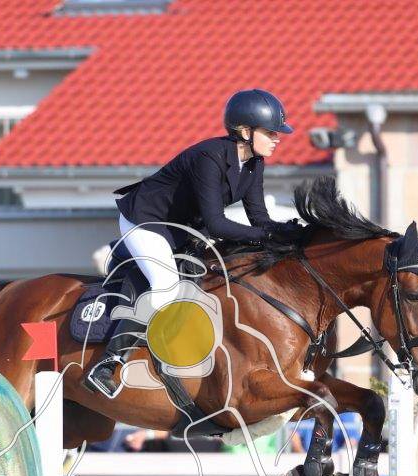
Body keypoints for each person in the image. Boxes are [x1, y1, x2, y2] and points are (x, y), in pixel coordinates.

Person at [85, 88, 305, 398]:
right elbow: (217, 223)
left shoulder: (254, 163)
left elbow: (259, 219)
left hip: (182, 227)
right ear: (245, 132)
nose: (277, 138)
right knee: (165, 286)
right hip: (145, 220)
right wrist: (267, 236)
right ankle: (108, 363)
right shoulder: (209, 157)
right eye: (270, 132)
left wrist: (291, 233)